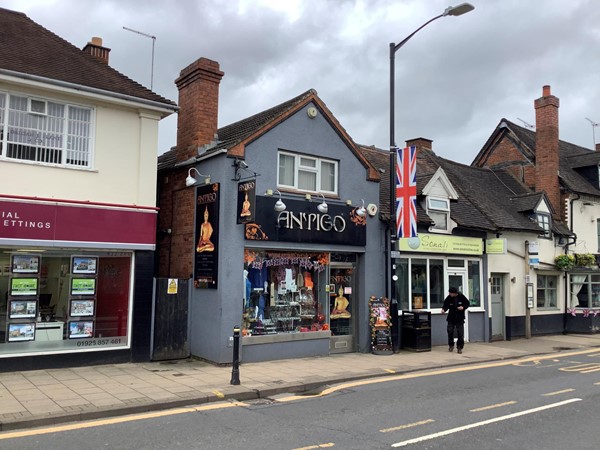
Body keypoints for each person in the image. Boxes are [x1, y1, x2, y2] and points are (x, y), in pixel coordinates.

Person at [441, 286, 470, 354]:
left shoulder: (461, 297)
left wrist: (463, 307)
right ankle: (451, 345)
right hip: (451, 318)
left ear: (455, 293)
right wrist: (443, 310)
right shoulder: (449, 297)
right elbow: (446, 304)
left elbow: (467, 303)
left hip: (459, 318)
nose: (449, 294)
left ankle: (459, 347)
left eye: (451, 293)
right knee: (450, 331)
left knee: (460, 333)